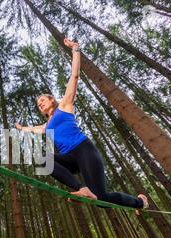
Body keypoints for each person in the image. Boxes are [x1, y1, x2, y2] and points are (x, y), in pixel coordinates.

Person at [15, 38, 148, 212]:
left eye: (42, 100)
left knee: (101, 199)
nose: (40, 103)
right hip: (70, 158)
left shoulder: (64, 106)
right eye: (38, 104)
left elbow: (74, 76)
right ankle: (80, 188)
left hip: (84, 150)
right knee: (43, 160)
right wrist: (20, 128)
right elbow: (32, 129)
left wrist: (75, 50)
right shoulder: (46, 126)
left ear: (51, 100)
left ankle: (140, 202)